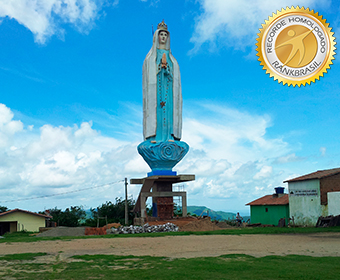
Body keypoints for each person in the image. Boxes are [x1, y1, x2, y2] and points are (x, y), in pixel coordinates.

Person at [142, 20, 182, 142]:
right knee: (156, 114)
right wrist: (158, 69)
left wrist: (168, 69)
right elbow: (147, 74)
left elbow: (176, 78)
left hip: (168, 92)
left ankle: (169, 136)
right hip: (156, 93)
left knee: (169, 113)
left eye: (165, 35)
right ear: (157, 36)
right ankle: (154, 136)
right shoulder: (151, 57)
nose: (163, 37)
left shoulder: (173, 59)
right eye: (161, 34)